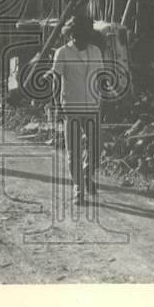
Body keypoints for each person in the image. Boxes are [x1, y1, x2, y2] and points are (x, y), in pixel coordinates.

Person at [48, 14, 104, 205]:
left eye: (87, 35)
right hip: (71, 107)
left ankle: (86, 175)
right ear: (72, 34)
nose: (83, 39)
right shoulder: (62, 53)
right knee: (74, 150)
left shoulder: (96, 51)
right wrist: (56, 106)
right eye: (79, 35)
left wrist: (101, 100)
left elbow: (99, 78)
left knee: (97, 148)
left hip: (92, 107)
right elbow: (55, 81)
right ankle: (78, 188)